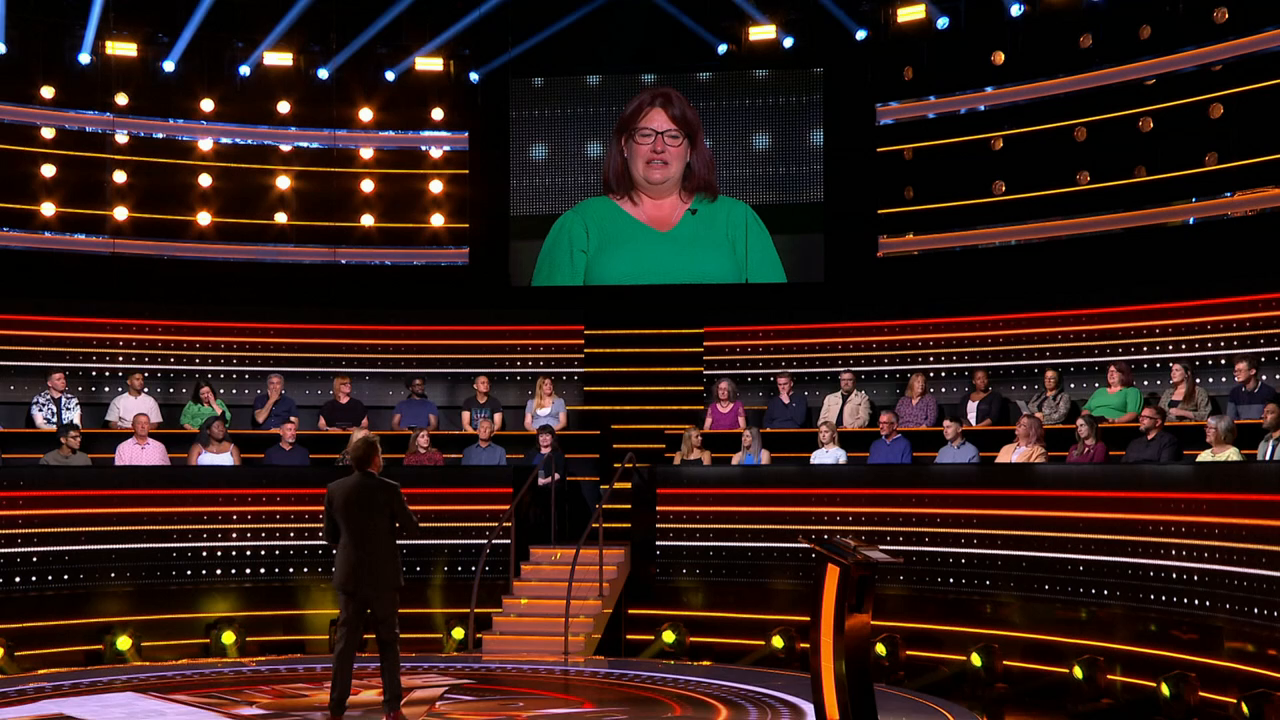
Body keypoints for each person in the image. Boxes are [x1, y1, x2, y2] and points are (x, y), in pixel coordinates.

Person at [531, 86, 786, 285]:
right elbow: (547, 326)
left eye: (673, 136)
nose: (659, 147)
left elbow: (780, 320)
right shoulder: (581, 223)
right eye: (645, 135)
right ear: (625, 146)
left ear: (689, 151)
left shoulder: (738, 219)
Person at [325, 433, 420, 720]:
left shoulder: (335, 489)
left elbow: (330, 536)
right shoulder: (390, 489)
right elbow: (411, 527)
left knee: (345, 646)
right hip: (383, 578)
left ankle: (336, 708)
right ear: (375, 459)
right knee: (388, 643)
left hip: (350, 577)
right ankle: (392, 707)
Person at [523, 426, 568, 545]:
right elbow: (525, 471)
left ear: (552, 438)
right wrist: (535, 481)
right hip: (533, 488)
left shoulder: (557, 454)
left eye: (547, 435)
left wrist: (545, 481)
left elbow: (559, 473)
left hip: (551, 488)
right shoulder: (531, 453)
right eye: (541, 436)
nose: (544, 438)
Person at [1228, 353, 1277, 420]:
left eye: (1240, 371)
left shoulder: (1269, 392)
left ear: (1252, 371)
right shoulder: (1234, 393)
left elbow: (1271, 420)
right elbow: (1231, 418)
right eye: (1235, 371)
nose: (1236, 374)